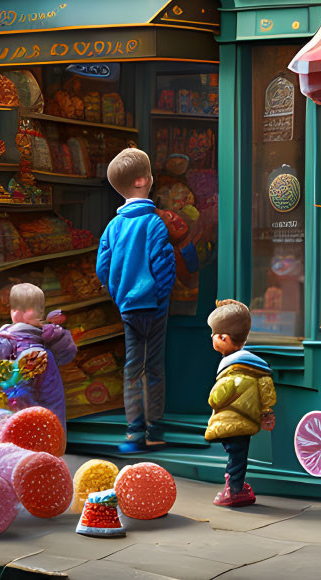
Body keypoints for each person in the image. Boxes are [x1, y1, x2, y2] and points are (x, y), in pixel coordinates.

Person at [96, 148, 177, 453]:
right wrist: (162, 294)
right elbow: (163, 262)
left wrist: (117, 294)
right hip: (153, 306)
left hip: (128, 307)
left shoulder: (113, 226)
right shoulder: (154, 223)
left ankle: (133, 431)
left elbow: (102, 267)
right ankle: (154, 429)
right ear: (144, 180)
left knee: (132, 366)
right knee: (154, 366)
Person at [204, 299, 276, 507]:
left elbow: (216, 398)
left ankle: (233, 490)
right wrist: (266, 413)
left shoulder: (231, 370)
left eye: (213, 334)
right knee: (239, 455)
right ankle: (236, 486)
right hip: (246, 421)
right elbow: (267, 393)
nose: (211, 338)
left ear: (224, 338)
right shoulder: (258, 368)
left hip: (230, 422)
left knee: (235, 457)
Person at [0, 283, 77, 427]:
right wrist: (57, 434)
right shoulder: (42, 353)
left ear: (14, 313)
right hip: (36, 429)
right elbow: (53, 399)